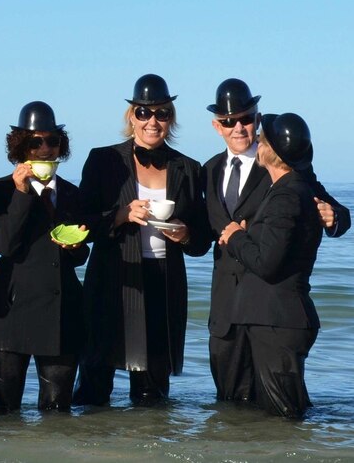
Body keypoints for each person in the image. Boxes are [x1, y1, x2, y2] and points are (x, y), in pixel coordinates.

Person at [202, 79, 349, 402]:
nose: (239, 128)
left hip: (270, 309)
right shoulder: (208, 171)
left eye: (246, 119)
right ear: (217, 126)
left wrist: (334, 216)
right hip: (226, 313)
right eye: (229, 122)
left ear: (257, 117)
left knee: (277, 409)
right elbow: (204, 235)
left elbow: (328, 204)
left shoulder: (282, 161)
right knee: (229, 410)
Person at [73, 74, 211, 405]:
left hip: (163, 282)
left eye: (162, 113)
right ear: (131, 116)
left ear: (171, 119)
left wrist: (185, 233)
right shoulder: (103, 160)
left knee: (153, 393)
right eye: (144, 113)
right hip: (113, 278)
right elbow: (80, 223)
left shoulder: (188, 168)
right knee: (94, 383)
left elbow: (203, 238)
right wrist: (120, 215)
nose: (152, 121)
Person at [0, 101, 88, 413]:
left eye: (52, 141)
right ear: (20, 147)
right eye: (35, 142)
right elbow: (5, 244)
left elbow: (80, 256)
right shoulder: (0, 190)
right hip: (11, 310)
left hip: (62, 312)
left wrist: (78, 247)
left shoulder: (71, 193)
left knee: (58, 412)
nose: (45, 149)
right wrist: (22, 193)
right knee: (3, 412)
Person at [218, 113, 323, 418]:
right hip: (276, 319)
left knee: (283, 416)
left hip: (278, 320)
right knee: (284, 411)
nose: (257, 142)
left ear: (269, 152)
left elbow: (267, 263)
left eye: (262, 139)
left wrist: (236, 236)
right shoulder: (290, 190)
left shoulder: (287, 195)